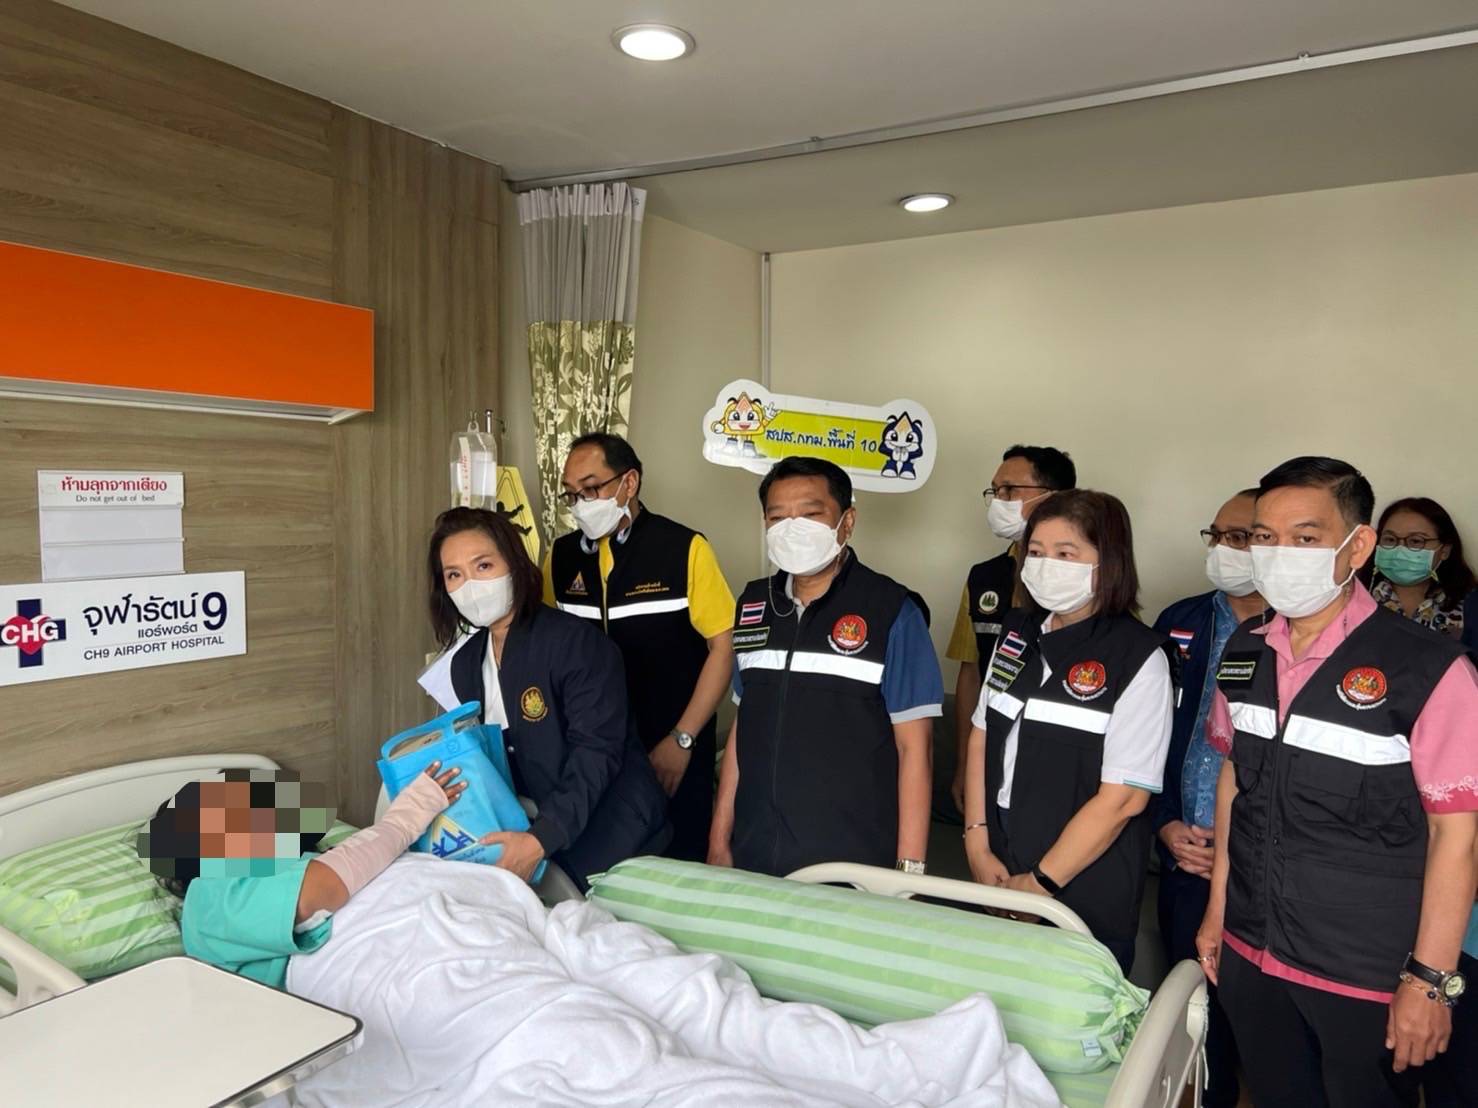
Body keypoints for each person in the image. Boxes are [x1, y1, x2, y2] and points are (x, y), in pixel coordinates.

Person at [1194, 457, 1478, 1108]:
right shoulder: (1245, 649)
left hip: (1367, 972)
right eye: (1264, 537)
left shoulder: (1429, 668)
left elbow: (1456, 835)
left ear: (1358, 544)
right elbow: (1236, 780)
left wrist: (1431, 981)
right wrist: (1218, 912)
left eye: (1305, 536)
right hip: (1251, 949)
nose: (1279, 554)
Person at [962, 489, 1174, 974]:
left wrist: (1040, 884)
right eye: (1036, 553)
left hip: (1081, 880)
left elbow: (1123, 799)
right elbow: (981, 735)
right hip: (997, 861)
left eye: (1066, 554)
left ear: (1108, 562)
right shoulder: (1017, 632)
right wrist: (976, 842)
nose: (1045, 566)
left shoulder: (1140, 657)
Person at [709, 456, 943, 877]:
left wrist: (908, 872)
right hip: (754, 849)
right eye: (777, 517)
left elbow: (916, 749)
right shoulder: (754, 605)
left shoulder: (891, 611)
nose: (792, 528)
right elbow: (746, 724)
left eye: (810, 514)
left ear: (847, 521)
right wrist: (719, 838)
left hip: (852, 858)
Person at [433, 507, 669, 888]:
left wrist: (542, 838)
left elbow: (596, 752)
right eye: (454, 575)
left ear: (514, 564)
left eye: (483, 566)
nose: (470, 586)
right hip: (537, 839)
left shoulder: (576, 644)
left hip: (617, 837)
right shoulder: (464, 664)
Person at [542, 433, 736, 861]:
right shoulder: (561, 558)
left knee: (676, 863)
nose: (581, 504)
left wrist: (682, 739)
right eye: (571, 494)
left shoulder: (683, 548)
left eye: (591, 488)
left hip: (672, 744)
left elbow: (724, 647)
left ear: (629, 483)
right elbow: (546, 647)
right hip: (593, 751)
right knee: (600, 867)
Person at [139, 764, 463, 988]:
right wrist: (403, 821)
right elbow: (311, 898)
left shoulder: (319, 858)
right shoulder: (207, 896)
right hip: (390, 970)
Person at [1149, 489, 1264, 1107]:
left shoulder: (1302, 633)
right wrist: (1164, 823)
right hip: (1185, 852)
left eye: (1240, 537)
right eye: (1216, 535)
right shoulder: (1181, 621)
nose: (1224, 549)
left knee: (1264, 1024)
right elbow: (1147, 734)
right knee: (1192, 1009)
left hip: (1263, 867)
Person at [947, 445, 1077, 814]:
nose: (998, 500)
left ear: (1055, 497)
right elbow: (971, 673)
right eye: (994, 490)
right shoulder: (983, 578)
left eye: (1010, 490)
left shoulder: (1086, 579)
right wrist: (965, 763)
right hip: (991, 746)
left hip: (1061, 756)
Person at [1365, 496, 1475, 640]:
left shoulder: (1470, 604)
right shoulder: (1356, 597)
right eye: (1390, 539)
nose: (1400, 550)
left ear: (1444, 551)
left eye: (1416, 541)